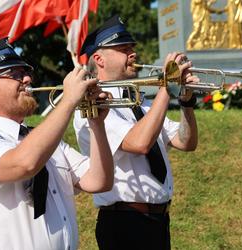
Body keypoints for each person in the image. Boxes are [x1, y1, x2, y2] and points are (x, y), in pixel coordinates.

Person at [0, 38, 114, 250]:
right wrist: (69, 100)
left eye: (26, 73)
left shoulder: (46, 140)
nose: (27, 78)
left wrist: (97, 124)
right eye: (15, 74)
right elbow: (24, 164)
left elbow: (99, 182)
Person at [73, 15, 199, 250]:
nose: (133, 54)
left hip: (158, 220)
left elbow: (185, 141)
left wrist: (186, 101)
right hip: (125, 222)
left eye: (132, 48)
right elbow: (139, 143)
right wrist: (166, 88)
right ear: (99, 59)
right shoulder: (93, 106)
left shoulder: (142, 104)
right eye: (123, 49)